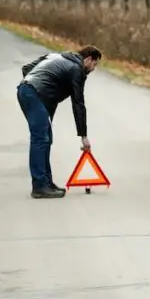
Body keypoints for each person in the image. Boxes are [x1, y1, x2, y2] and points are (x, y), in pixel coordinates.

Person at [17, 44, 102, 198]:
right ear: (88, 59)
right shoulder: (77, 70)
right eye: (95, 64)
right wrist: (83, 136)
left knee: (46, 138)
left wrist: (31, 88)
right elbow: (78, 104)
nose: (94, 68)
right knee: (40, 138)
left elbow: (26, 68)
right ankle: (39, 186)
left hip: (29, 91)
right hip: (32, 94)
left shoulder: (56, 56)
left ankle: (46, 182)